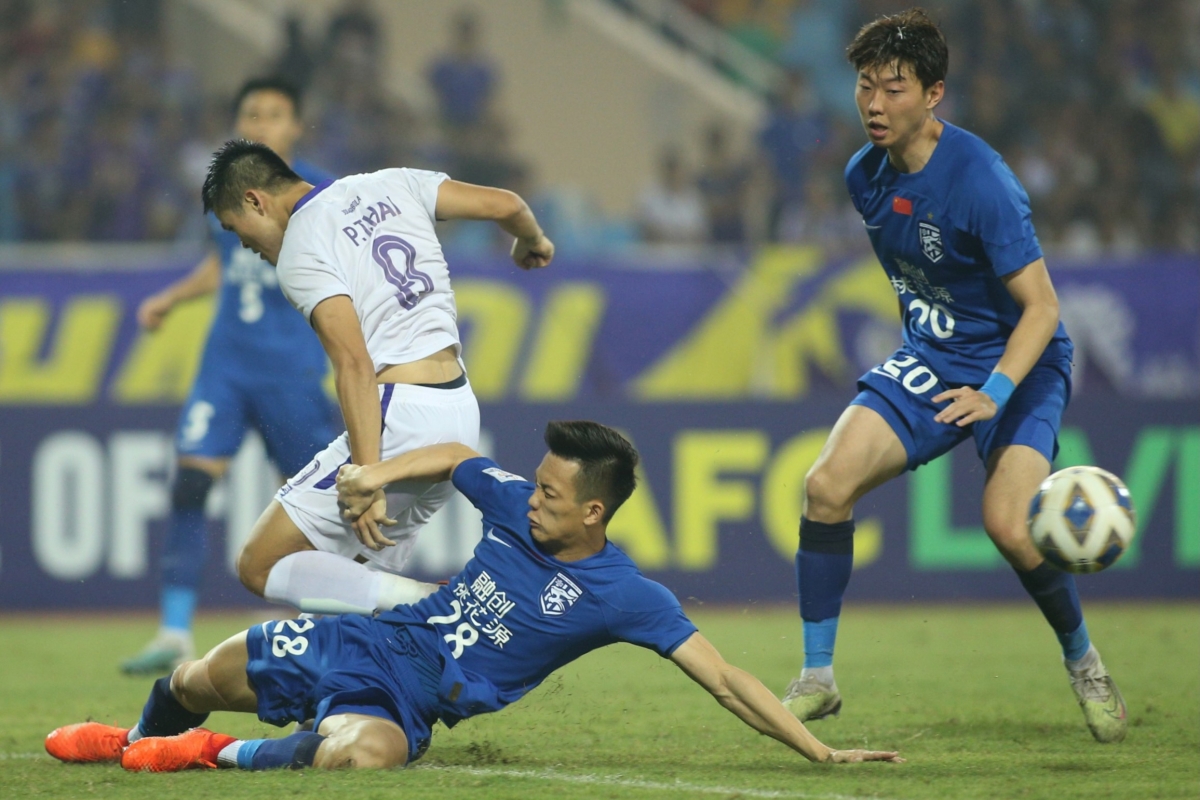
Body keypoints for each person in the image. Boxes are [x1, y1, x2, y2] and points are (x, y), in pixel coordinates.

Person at [45, 422, 902, 772]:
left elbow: (725, 679)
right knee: (200, 675)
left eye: (553, 497)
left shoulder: (624, 595)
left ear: (594, 512)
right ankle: (134, 739)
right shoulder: (512, 503)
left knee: (363, 756)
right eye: (534, 485)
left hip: (414, 706)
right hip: (370, 642)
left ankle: (203, 756)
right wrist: (377, 472)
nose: (532, 500)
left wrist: (819, 756)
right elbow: (455, 453)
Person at [780, 9, 1127, 744]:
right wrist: (938, 358)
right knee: (824, 486)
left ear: (934, 93)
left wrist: (993, 393)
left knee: (1008, 524)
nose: (874, 104)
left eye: (894, 88)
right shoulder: (862, 176)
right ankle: (817, 679)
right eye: (865, 87)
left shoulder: (983, 182)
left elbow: (1041, 309)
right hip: (934, 359)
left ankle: (1085, 662)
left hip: (1018, 365)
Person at [198, 138, 554, 626]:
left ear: (255, 200)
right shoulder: (393, 181)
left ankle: (442, 605)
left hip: (397, 417)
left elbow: (354, 365)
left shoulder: (301, 248)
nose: (246, 247)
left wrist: (367, 476)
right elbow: (507, 205)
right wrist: (531, 240)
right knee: (352, 603)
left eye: (237, 230)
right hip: (457, 411)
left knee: (260, 564)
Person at [121, 78, 338, 675]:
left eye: (275, 113)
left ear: (296, 126)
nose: (263, 123)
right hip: (226, 367)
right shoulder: (227, 188)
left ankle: (317, 625)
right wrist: (172, 297)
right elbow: (223, 267)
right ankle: (173, 631)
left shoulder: (322, 191)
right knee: (190, 483)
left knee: (311, 508)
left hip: (290, 374)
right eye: (252, 114)